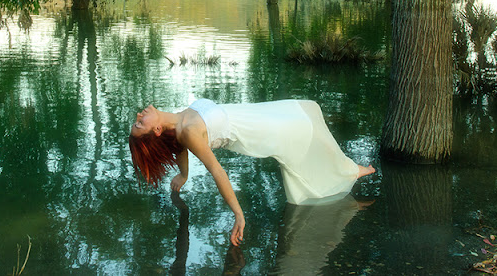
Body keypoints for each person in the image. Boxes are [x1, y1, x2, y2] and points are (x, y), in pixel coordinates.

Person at [129, 98, 375, 246]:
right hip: (259, 129)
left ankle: (347, 171)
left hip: (256, 113)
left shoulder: (180, 122)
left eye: (137, 119)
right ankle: (350, 172)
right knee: (306, 130)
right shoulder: (189, 132)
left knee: (309, 112)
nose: (140, 115)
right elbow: (217, 171)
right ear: (157, 130)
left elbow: (179, 148)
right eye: (141, 124)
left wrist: (184, 175)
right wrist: (238, 214)